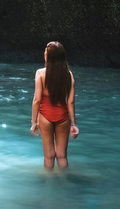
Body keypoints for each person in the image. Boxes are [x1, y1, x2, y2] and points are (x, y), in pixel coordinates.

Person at [30, 41, 79, 169]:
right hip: (63, 116)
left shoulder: (40, 73)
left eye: (46, 52)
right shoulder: (69, 75)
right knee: (62, 156)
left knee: (49, 156)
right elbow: (71, 102)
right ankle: (64, 184)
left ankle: (48, 185)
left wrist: (34, 122)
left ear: (50, 56)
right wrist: (73, 124)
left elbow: (37, 99)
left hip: (45, 116)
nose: (44, 53)